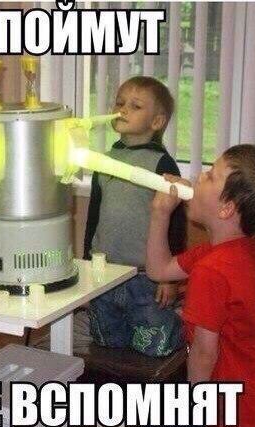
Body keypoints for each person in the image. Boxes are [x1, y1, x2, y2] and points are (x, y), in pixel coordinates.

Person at [145, 144, 255, 427]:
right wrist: (160, 213)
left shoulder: (212, 270)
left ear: (226, 209)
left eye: (211, 175)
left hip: (237, 415)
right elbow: (159, 269)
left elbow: (204, 353)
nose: (199, 176)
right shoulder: (242, 251)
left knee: (151, 426)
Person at [84, 76, 186, 357]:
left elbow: (175, 224)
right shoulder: (104, 160)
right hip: (104, 274)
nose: (122, 109)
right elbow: (94, 216)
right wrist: (86, 264)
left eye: (135, 106)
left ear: (157, 121)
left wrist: (169, 278)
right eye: (119, 103)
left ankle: (182, 328)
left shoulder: (162, 163)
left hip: (146, 278)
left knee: (154, 346)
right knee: (106, 343)